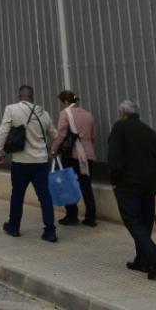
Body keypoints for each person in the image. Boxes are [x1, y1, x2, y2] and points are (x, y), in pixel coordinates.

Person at [107, 99, 156, 280]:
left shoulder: (120, 128)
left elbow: (114, 156)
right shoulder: (149, 131)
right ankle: (142, 260)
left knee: (133, 221)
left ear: (122, 114)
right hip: (149, 184)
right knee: (145, 220)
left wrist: (114, 179)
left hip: (128, 184)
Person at [0, 84, 58, 242]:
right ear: (32, 96)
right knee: (45, 197)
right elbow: (55, 135)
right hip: (41, 162)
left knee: (17, 195)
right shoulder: (44, 113)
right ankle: (50, 231)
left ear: (19, 96)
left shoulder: (11, 109)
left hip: (21, 162)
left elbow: (3, 131)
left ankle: (14, 227)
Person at [53, 89, 98, 227]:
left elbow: (61, 134)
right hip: (87, 155)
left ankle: (72, 215)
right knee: (86, 186)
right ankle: (91, 217)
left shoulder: (65, 113)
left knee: (68, 185)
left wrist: (54, 149)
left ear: (66, 101)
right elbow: (93, 136)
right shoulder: (88, 115)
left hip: (72, 155)